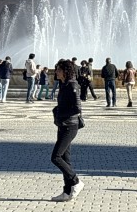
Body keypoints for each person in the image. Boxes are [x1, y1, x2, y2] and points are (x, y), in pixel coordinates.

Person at [50, 59, 85, 202]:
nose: (56, 72)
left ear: (65, 71)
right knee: (65, 159)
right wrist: (57, 111)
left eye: (58, 69)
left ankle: (76, 181)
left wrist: (61, 113)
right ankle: (67, 191)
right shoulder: (64, 84)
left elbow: (77, 108)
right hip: (63, 125)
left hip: (70, 126)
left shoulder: (72, 85)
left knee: (56, 157)